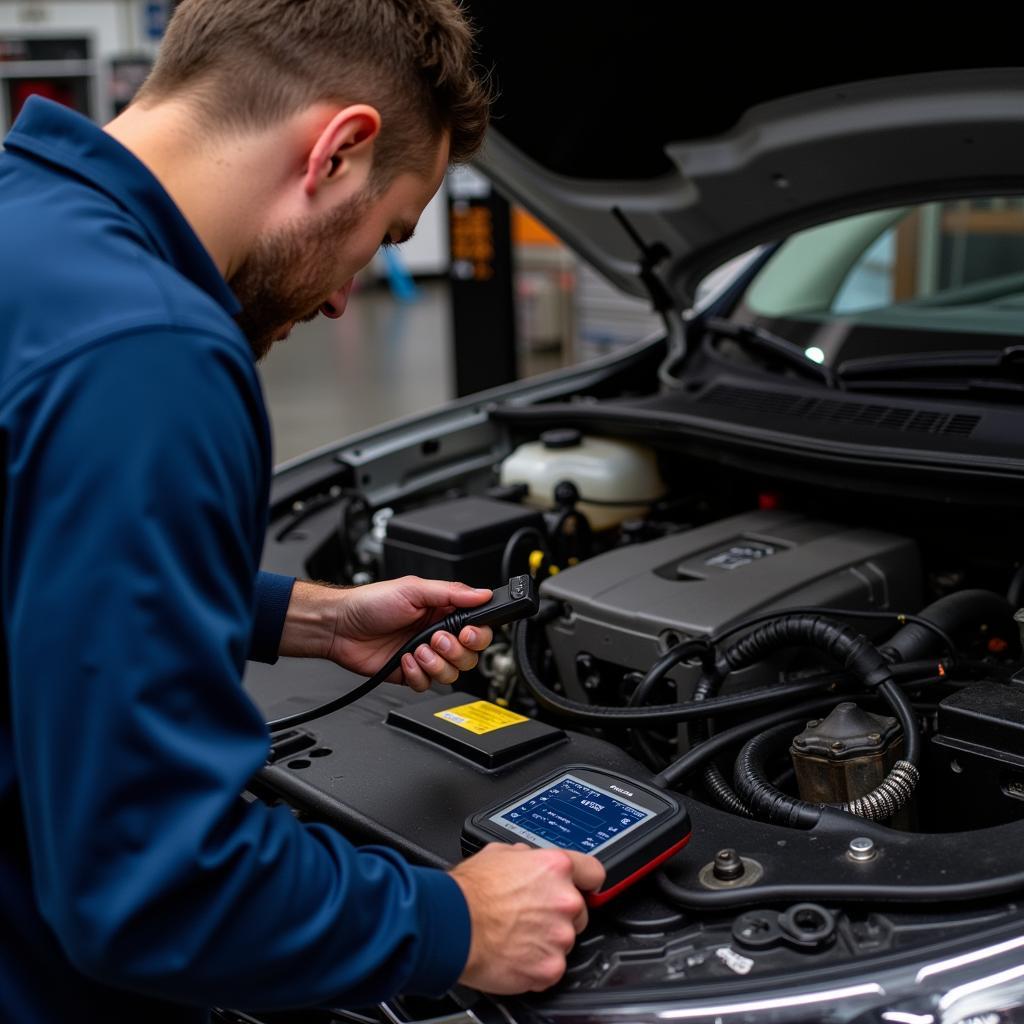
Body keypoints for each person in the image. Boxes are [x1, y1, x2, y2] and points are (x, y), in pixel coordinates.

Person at [0, 1, 605, 1020]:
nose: (341, 297)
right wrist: (458, 923)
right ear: (339, 149)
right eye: (383, 234)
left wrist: (304, 616)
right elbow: (148, 889)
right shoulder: (151, 357)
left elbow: (32, 555)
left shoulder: (28, 227)